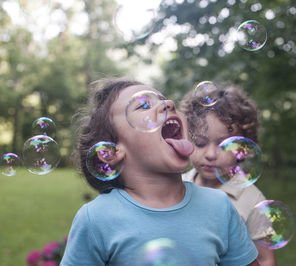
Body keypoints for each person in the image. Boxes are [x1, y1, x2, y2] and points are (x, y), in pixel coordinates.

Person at [60, 78, 260, 266]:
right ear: (109, 151)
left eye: (163, 99)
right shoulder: (96, 219)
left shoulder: (220, 207)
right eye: (144, 105)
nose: (168, 104)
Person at [180, 85, 277, 266]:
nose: (210, 154)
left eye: (223, 146)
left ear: (243, 149)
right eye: (200, 143)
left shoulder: (253, 200)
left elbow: (265, 259)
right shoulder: (177, 185)